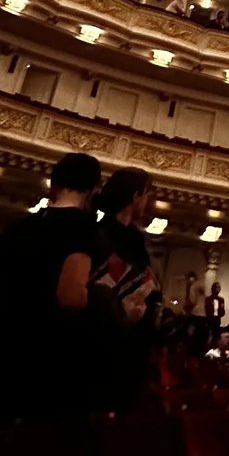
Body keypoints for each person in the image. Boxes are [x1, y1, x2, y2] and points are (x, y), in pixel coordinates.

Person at [0, 152, 107, 418]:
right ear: (93, 190)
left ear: (53, 185)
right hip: (43, 362)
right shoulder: (85, 230)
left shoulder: (20, 225)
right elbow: (70, 297)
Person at [92, 166, 157, 405]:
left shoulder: (134, 237)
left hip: (133, 343)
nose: (149, 201)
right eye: (147, 194)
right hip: (107, 344)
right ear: (135, 197)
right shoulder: (102, 233)